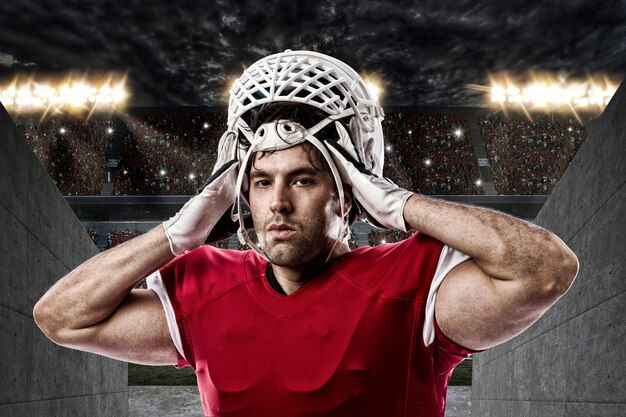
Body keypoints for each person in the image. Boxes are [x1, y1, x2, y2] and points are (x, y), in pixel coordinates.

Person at [33, 50, 579, 417]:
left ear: (346, 191)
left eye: (302, 179)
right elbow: (59, 316)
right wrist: (176, 235)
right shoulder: (204, 284)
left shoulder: (412, 283)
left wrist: (399, 202)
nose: (278, 203)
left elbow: (545, 269)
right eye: (261, 181)